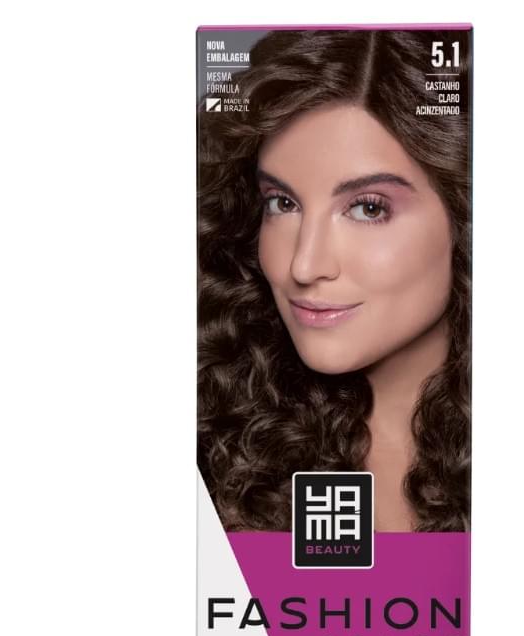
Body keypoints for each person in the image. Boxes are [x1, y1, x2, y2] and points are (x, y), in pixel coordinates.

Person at [197, 30, 471, 532]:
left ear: (464, 216)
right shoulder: (209, 448)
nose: (304, 266)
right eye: (283, 203)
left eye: (368, 208)